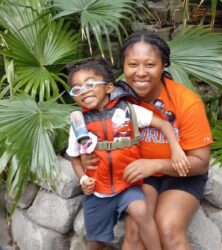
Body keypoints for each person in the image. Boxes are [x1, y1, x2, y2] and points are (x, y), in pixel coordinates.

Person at [81, 31, 213, 250]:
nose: (140, 73)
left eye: (150, 65)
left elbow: (201, 162)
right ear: (123, 65)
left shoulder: (186, 102)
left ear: (163, 66)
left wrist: (156, 164)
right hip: (140, 174)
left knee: (168, 227)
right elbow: (90, 135)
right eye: (133, 64)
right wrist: (88, 157)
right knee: (135, 229)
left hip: (182, 173)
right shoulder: (111, 98)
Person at [65, 58, 190, 250]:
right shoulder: (79, 123)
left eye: (90, 84)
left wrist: (175, 149)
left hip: (128, 184)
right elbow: (74, 157)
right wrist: (83, 179)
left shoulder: (129, 111)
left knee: (142, 213)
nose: (84, 90)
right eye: (77, 89)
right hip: (98, 191)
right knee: (94, 242)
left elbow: (164, 124)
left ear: (108, 88)